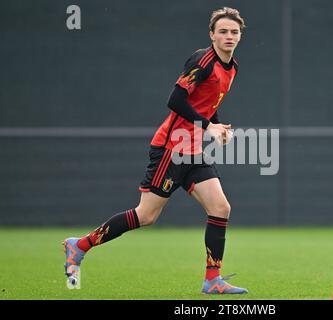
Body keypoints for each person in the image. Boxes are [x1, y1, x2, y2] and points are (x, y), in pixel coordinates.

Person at [63, 7, 248, 294]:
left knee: (220, 208)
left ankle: (212, 280)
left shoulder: (232, 66)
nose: (229, 36)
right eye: (222, 31)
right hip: (170, 147)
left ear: (240, 35)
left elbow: (208, 104)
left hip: (193, 149)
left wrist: (218, 127)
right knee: (146, 216)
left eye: (234, 32)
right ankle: (80, 245)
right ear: (211, 35)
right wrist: (208, 127)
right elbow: (175, 100)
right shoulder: (203, 61)